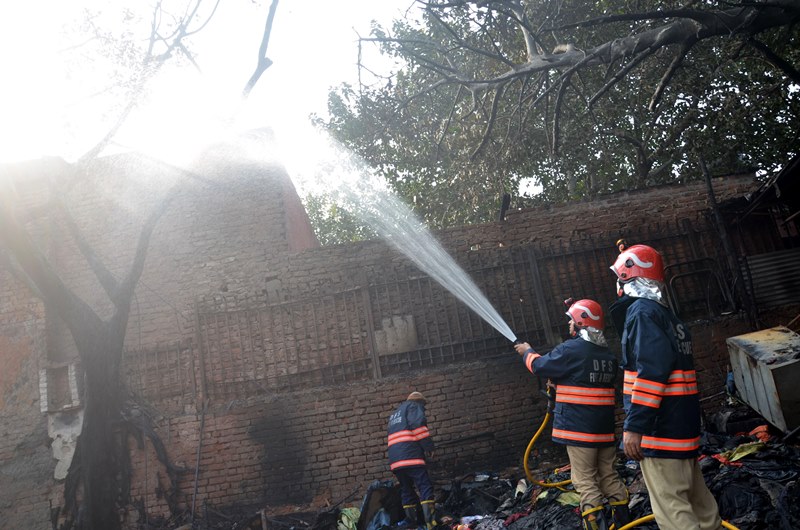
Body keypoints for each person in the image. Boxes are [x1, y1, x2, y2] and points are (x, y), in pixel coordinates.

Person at [609, 242, 723, 530]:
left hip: (660, 434)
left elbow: (652, 372)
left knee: (675, 516)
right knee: (704, 510)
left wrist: (635, 426)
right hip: (683, 432)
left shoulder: (641, 314)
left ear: (627, 277)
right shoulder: (669, 317)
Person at [514, 299, 629, 530]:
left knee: (585, 482)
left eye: (570, 320)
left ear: (580, 322)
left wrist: (527, 351)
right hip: (604, 431)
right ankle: (625, 522)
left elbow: (539, 366)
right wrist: (562, 386)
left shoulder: (571, 349)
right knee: (609, 476)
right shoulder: (607, 356)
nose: (568, 325)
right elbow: (588, 384)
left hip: (579, 431)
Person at [387, 391, 436, 530]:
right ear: (420, 401)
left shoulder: (395, 414)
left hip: (396, 461)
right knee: (425, 486)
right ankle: (431, 523)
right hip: (411, 457)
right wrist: (429, 447)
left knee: (406, 490)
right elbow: (418, 426)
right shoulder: (414, 406)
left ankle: (411, 522)